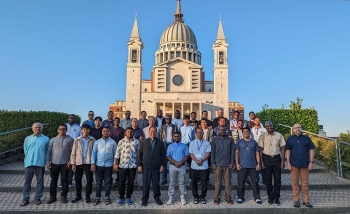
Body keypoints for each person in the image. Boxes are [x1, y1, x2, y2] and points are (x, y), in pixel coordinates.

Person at [286, 124, 315, 208]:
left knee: (305, 183)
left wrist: (311, 162)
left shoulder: (307, 138)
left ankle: (306, 201)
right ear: (293, 129)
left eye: (299, 127)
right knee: (295, 183)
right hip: (294, 164)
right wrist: (288, 163)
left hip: (305, 164)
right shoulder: (290, 139)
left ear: (301, 129)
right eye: (296, 128)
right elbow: (287, 151)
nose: (298, 129)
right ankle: (296, 200)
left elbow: (311, 149)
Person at [20, 123, 50, 206]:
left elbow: (48, 151)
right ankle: (25, 199)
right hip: (29, 162)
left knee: (40, 181)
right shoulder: (27, 138)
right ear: (32, 129)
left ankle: (38, 198)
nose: (37, 129)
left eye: (39, 127)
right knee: (27, 181)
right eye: (36, 127)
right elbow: (25, 150)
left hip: (40, 163)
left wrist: (47, 161)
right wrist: (27, 159)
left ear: (42, 129)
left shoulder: (46, 139)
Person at [46, 124, 74, 204]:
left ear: (66, 130)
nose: (62, 130)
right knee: (53, 180)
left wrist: (70, 162)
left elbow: (73, 152)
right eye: (60, 129)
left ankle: (64, 196)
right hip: (54, 163)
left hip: (65, 164)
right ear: (58, 130)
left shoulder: (70, 139)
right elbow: (49, 151)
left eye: (64, 129)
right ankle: (52, 196)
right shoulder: (53, 139)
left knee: (65, 180)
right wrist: (48, 162)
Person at [259, 121, 286, 205]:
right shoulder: (262, 136)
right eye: (267, 126)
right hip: (266, 159)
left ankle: (277, 197)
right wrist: (261, 162)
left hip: (277, 159)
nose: (269, 127)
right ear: (265, 128)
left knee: (277, 180)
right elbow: (260, 150)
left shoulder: (279, 135)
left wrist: (282, 161)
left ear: (273, 126)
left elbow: (282, 148)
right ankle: (270, 197)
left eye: (270, 125)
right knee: (268, 180)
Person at [137, 126, 165, 206]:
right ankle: (145, 199)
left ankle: (157, 198)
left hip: (156, 166)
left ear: (156, 132)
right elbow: (139, 153)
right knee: (146, 184)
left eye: (154, 131)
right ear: (149, 132)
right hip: (146, 166)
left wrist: (162, 165)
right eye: (151, 131)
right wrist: (139, 164)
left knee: (156, 183)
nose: (152, 133)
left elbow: (163, 155)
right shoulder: (144, 142)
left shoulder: (160, 143)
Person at [235, 127, 262, 204]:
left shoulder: (254, 142)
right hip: (242, 165)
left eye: (247, 132)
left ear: (249, 132)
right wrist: (237, 163)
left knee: (255, 182)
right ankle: (240, 197)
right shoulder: (239, 142)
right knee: (241, 182)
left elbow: (257, 153)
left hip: (253, 165)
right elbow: (236, 153)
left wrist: (258, 163)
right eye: (244, 132)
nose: (245, 133)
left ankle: (257, 197)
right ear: (242, 133)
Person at [90, 127, 117, 206]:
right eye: (104, 131)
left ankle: (107, 197)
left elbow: (116, 154)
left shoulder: (113, 142)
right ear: (102, 132)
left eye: (107, 131)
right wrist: (93, 163)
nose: (105, 132)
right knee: (98, 183)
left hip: (109, 165)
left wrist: (115, 163)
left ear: (109, 132)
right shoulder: (97, 142)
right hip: (99, 165)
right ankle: (97, 198)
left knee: (108, 182)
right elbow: (94, 153)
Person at [114, 127, 140, 205]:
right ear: (125, 133)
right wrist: (115, 163)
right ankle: (121, 197)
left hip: (132, 166)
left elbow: (139, 154)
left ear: (133, 133)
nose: (129, 133)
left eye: (131, 132)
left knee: (131, 182)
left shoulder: (137, 142)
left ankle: (128, 196)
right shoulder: (121, 142)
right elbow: (117, 153)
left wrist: (139, 165)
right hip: (122, 165)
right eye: (128, 132)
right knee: (121, 182)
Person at [70, 124, 96, 204]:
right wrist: (73, 163)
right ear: (81, 130)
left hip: (88, 163)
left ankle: (88, 196)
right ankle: (78, 196)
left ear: (89, 130)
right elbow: (73, 152)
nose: (85, 131)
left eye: (87, 129)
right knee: (78, 180)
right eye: (84, 129)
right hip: (78, 163)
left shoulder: (92, 139)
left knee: (89, 181)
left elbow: (94, 152)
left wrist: (93, 163)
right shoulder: (77, 139)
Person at [211, 126, 235, 205]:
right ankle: (217, 198)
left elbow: (232, 152)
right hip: (217, 164)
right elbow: (212, 153)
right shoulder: (214, 140)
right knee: (217, 183)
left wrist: (232, 162)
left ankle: (228, 198)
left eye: (224, 130)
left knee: (227, 183)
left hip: (228, 164)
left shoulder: (230, 140)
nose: (222, 131)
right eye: (221, 130)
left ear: (226, 130)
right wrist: (213, 163)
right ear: (218, 131)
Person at [166, 131, 189, 205]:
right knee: (172, 183)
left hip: (182, 166)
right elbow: (168, 156)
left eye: (178, 136)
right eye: (175, 136)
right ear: (173, 137)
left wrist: (181, 162)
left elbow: (187, 156)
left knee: (182, 183)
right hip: (172, 166)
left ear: (180, 137)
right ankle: (171, 198)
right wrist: (175, 163)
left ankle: (182, 198)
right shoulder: (170, 146)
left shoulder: (184, 146)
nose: (176, 137)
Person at [189, 128, 211, 204]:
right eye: (198, 133)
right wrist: (196, 160)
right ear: (196, 134)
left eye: (201, 132)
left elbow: (208, 153)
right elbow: (191, 154)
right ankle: (195, 197)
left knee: (204, 183)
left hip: (204, 166)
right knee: (194, 182)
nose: (199, 134)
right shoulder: (192, 143)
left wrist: (201, 160)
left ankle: (202, 197)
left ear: (203, 133)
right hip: (194, 166)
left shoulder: (207, 143)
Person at [159, 115, 178, 185]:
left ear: (171, 119)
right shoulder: (162, 127)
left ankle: (173, 180)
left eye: (169, 118)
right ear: (165, 120)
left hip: (172, 145)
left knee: (173, 162)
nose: (168, 119)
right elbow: (161, 137)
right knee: (164, 163)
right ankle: (164, 179)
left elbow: (177, 136)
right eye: (166, 118)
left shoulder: (174, 127)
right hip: (165, 145)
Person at [179, 115, 196, 185]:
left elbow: (194, 138)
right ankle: (181, 180)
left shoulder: (192, 128)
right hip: (182, 146)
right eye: (185, 119)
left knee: (190, 163)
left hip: (189, 145)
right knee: (182, 163)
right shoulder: (180, 128)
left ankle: (190, 178)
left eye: (187, 119)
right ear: (183, 120)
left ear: (189, 120)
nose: (186, 121)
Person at [250, 117, 267, 184]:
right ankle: (256, 178)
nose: (257, 121)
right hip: (254, 148)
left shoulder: (264, 129)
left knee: (263, 163)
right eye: (256, 120)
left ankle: (264, 179)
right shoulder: (251, 130)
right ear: (254, 122)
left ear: (260, 121)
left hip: (262, 148)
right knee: (255, 163)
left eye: (258, 120)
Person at [201, 119, 214, 186]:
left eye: (205, 122)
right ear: (201, 123)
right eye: (202, 122)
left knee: (207, 166)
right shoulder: (198, 131)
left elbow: (211, 140)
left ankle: (207, 179)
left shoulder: (210, 131)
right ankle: (200, 180)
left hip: (207, 150)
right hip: (200, 151)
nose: (204, 123)